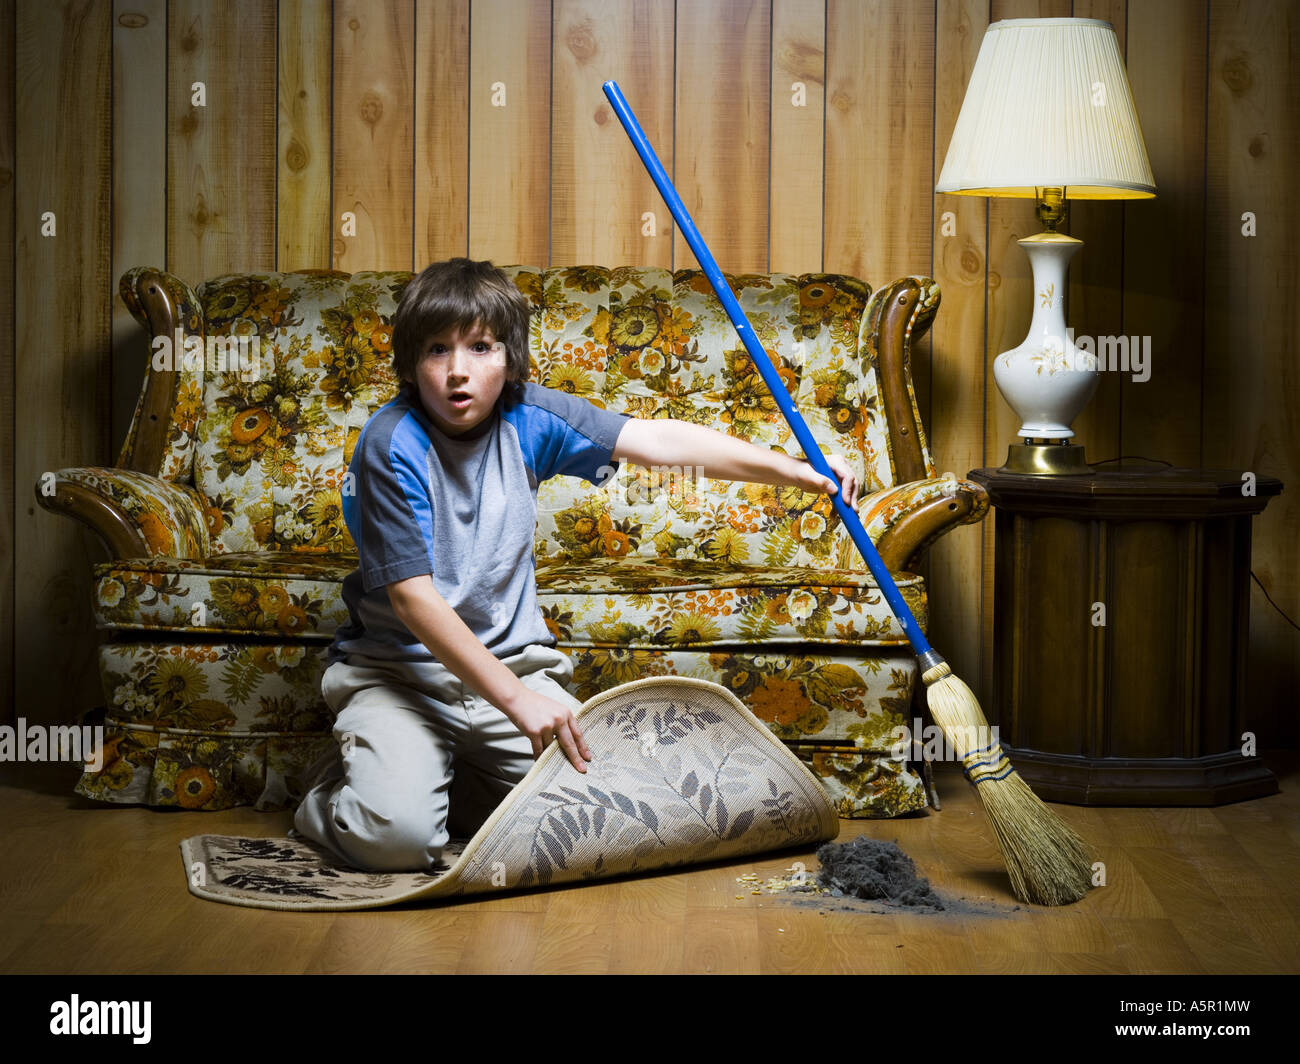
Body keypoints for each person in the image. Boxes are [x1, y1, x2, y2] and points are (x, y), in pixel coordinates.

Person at [292, 257, 859, 873]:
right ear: (410, 362)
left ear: (508, 358)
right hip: (399, 677)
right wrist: (518, 703)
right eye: (436, 350)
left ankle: (437, 777)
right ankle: (338, 796)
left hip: (511, 667)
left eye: (480, 347)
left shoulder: (530, 418)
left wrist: (798, 471)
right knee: (396, 841)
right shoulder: (389, 443)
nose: (458, 371)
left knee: (600, 824)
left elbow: (660, 442)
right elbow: (413, 600)